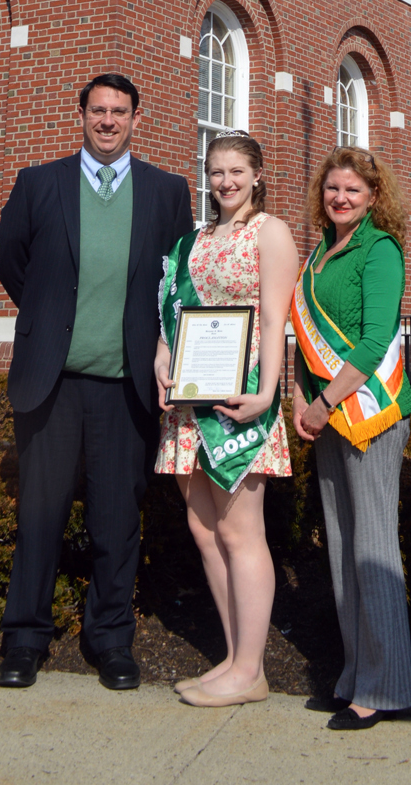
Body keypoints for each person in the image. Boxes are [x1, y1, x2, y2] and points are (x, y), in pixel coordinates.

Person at [0, 73, 193, 692]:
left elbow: (176, 280)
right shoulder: (38, 182)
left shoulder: (166, 191)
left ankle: (111, 641)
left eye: (120, 111)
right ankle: (24, 640)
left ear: (137, 117)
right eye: (98, 110)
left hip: (125, 385)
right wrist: (54, 320)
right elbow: (10, 260)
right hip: (52, 384)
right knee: (41, 517)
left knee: (116, 522)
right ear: (81, 114)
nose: (108, 120)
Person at [154, 130, 299, 708]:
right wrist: (161, 360)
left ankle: (250, 667)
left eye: (237, 171)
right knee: (204, 530)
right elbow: (174, 314)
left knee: (241, 532)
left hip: (239, 404)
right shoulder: (191, 240)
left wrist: (268, 395)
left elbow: (272, 318)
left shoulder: (272, 233)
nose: (226, 182)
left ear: (257, 175)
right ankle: (238, 658)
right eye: (216, 171)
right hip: (191, 401)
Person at [292, 146, 411, 732]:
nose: (340, 199)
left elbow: (374, 343)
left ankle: (388, 686)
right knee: (341, 546)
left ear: (374, 198)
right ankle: (354, 675)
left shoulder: (381, 250)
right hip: (325, 415)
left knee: (372, 548)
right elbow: (304, 334)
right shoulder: (320, 251)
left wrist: (321, 402)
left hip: (367, 414)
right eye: (332, 190)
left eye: (352, 191)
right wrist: (301, 398)